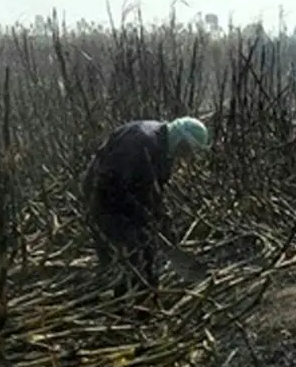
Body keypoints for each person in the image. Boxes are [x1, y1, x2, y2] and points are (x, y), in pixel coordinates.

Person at [82, 117, 210, 297]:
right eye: (189, 149)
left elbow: (153, 190)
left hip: (122, 195)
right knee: (130, 251)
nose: (188, 156)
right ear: (182, 139)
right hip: (102, 194)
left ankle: (140, 295)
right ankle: (121, 303)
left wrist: (160, 219)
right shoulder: (142, 141)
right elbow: (111, 184)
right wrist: (140, 215)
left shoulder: (165, 150)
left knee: (145, 248)